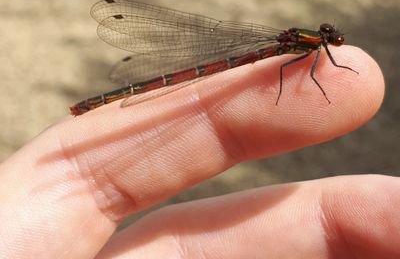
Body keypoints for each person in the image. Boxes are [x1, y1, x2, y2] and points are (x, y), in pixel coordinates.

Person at [0, 46, 392, 258]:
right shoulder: (307, 51)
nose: (332, 42)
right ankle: (97, 103)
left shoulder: (308, 47)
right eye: (329, 38)